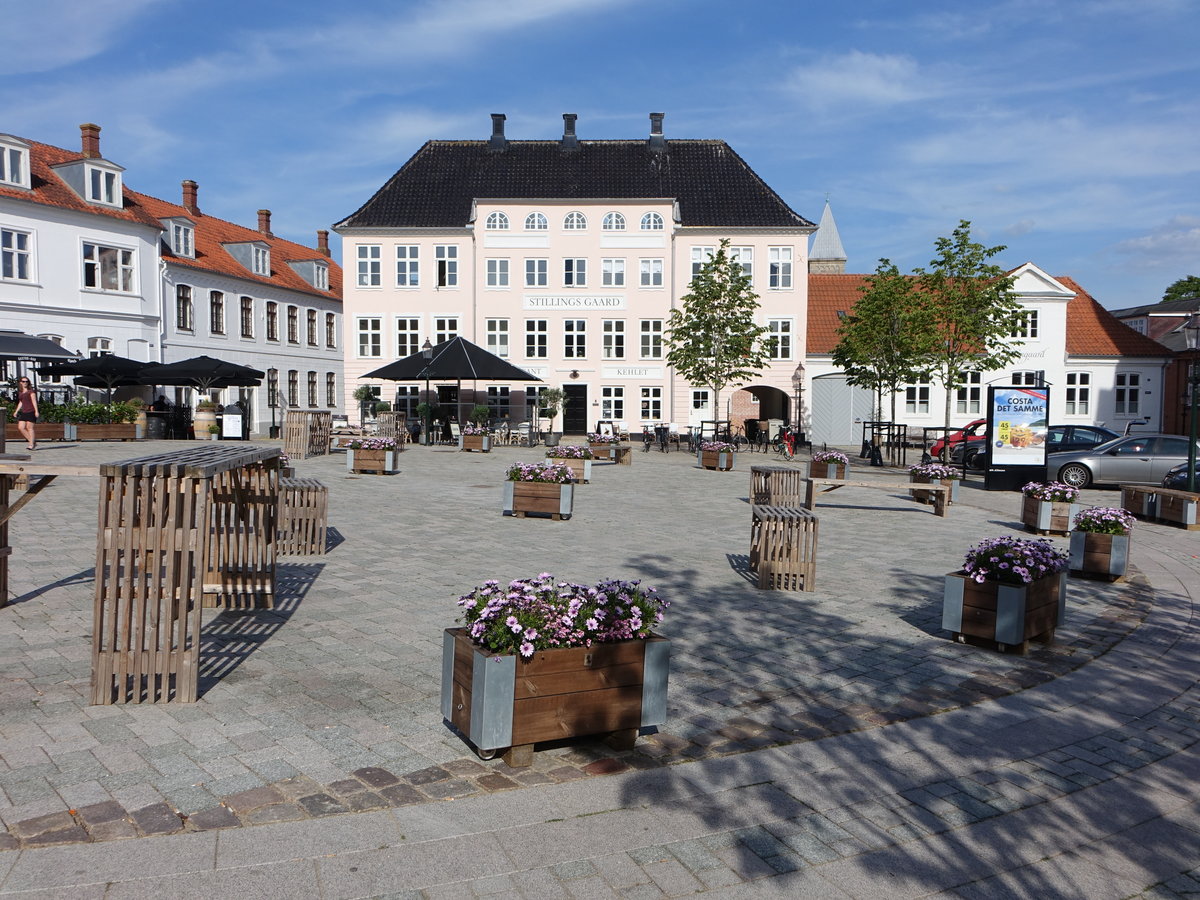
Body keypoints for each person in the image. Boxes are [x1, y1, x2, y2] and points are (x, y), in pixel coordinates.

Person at [14, 376, 39, 451]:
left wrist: (36, 411)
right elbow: (21, 402)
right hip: (24, 412)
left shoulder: (31, 392)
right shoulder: (21, 392)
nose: (25, 383)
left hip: (31, 411)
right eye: (23, 381)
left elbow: (34, 402)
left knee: (29, 428)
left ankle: (31, 444)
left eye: (26, 381)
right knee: (21, 427)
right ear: (20, 383)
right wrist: (16, 411)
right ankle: (33, 442)